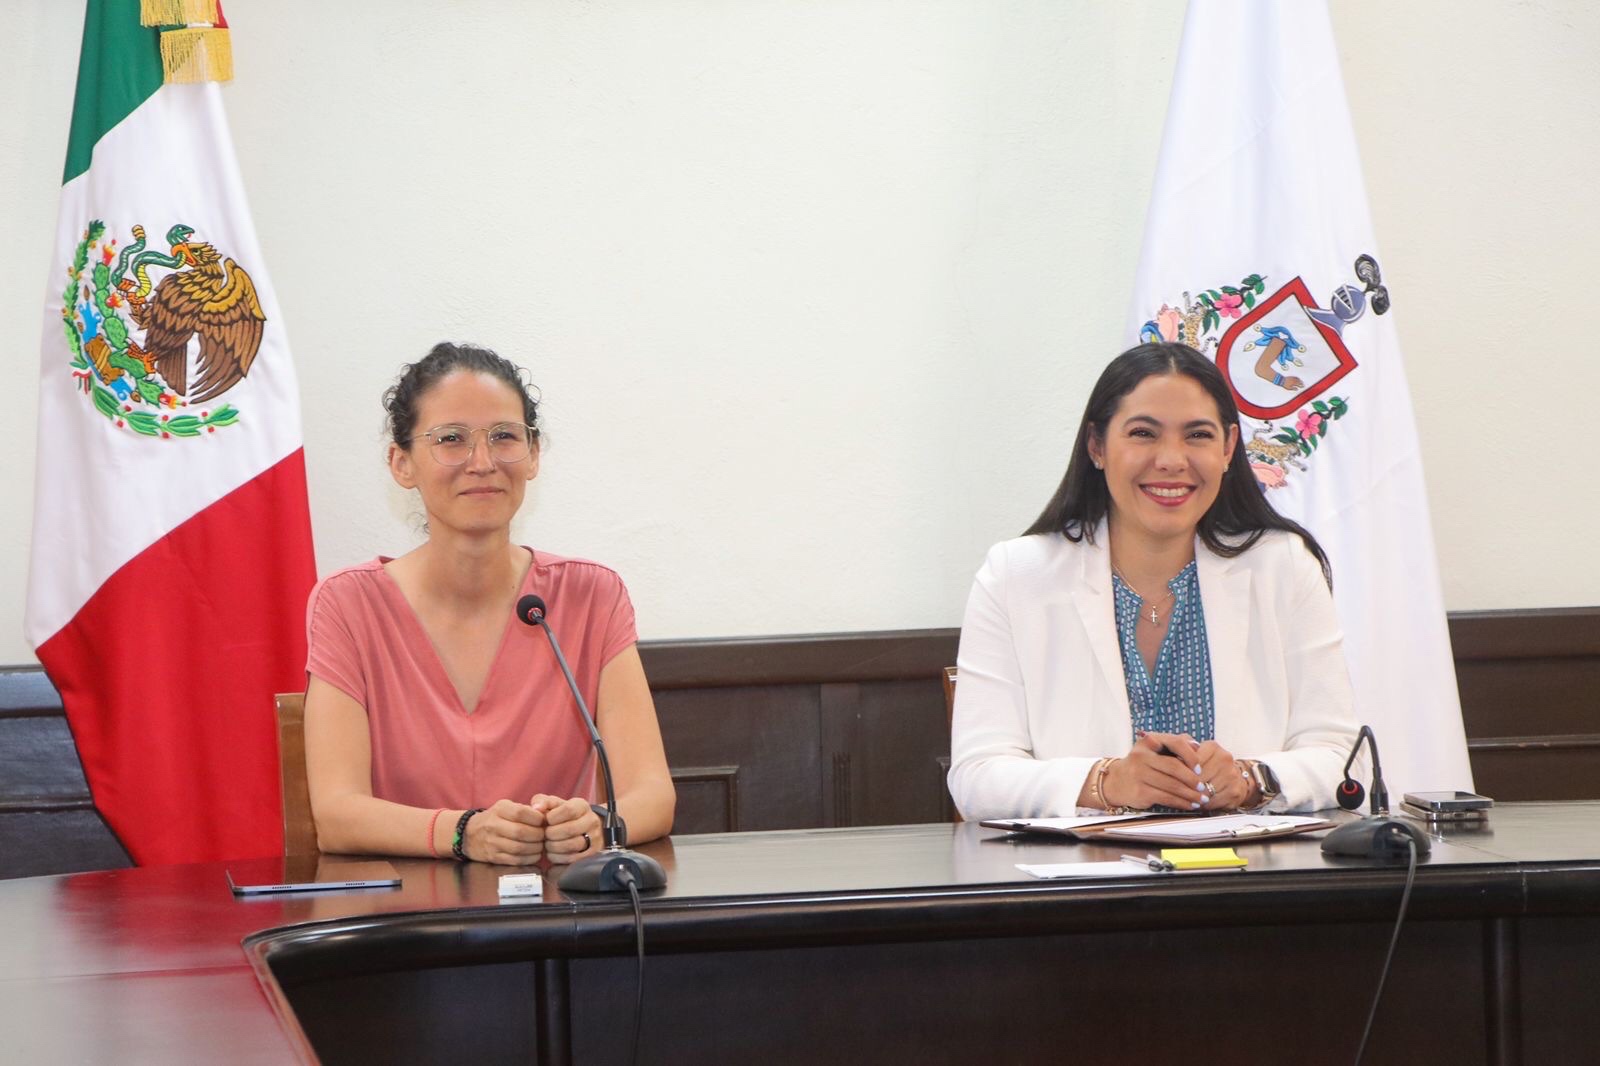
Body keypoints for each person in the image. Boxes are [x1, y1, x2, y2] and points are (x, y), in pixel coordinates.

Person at [947, 342, 1359, 820]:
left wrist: (1251, 779)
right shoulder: (1015, 575)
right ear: (1097, 446)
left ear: (1228, 448)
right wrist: (1107, 782)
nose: (1171, 460)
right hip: (1082, 866)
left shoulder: (1283, 566)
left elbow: (1344, 758)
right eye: (1143, 433)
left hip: (1247, 863)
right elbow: (977, 776)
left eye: (1197, 435)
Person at [303, 342, 675, 865]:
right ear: (401, 463)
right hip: (409, 907)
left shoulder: (592, 596)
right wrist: (463, 832)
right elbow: (337, 815)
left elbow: (653, 796)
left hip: (556, 901)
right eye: (450, 439)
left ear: (534, 454)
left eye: (504, 436)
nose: (482, 463)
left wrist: (596, 823)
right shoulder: (348, 605)